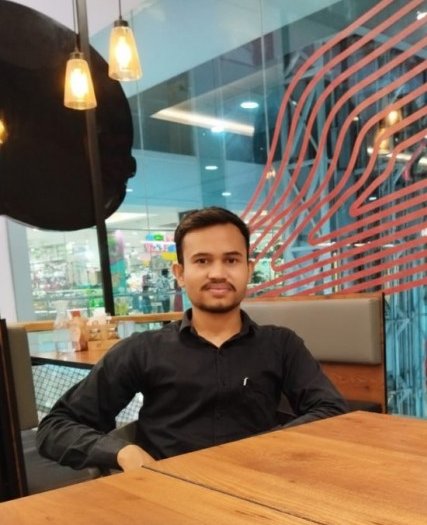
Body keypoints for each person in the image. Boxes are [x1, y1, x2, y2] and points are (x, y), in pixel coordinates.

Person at [36, 207, 348, 472]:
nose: (217, 273)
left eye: (231, 260)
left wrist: (270, 444)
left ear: (249, 269)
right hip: (169, 495)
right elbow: (55, 427)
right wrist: (122, 452)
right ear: (180, 273)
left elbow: (331, 410)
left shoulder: (280, 345)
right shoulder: (143, 350)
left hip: (259, 487)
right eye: (202, 261)